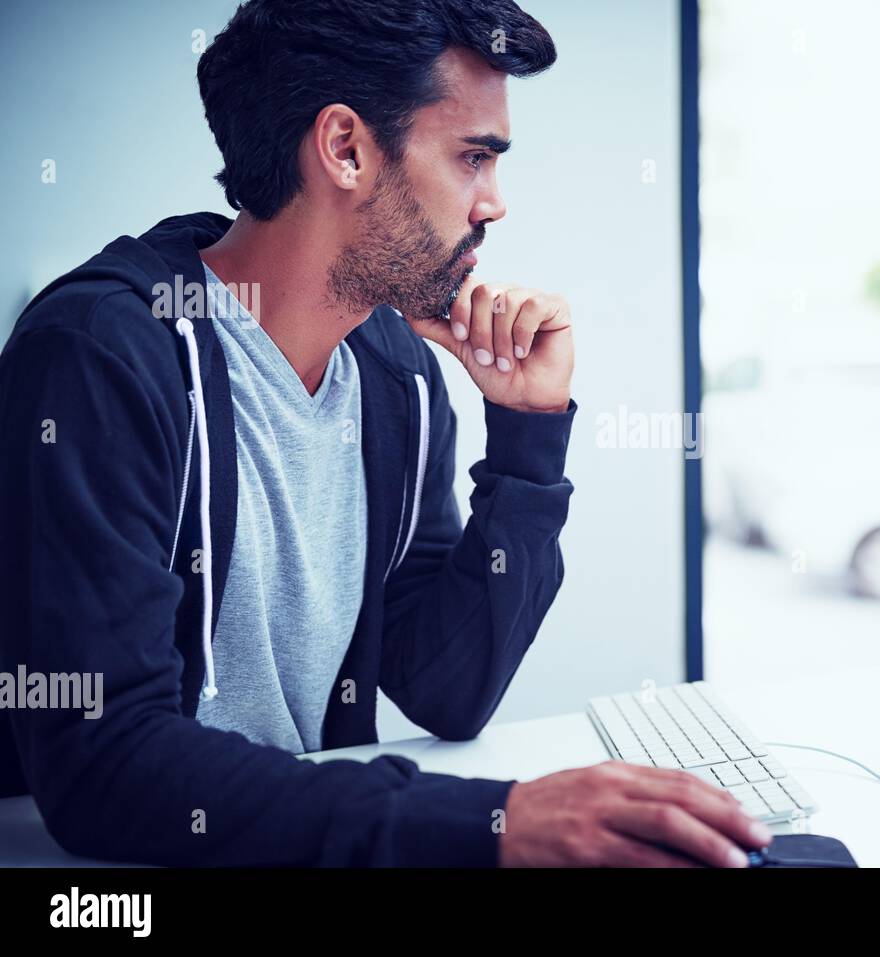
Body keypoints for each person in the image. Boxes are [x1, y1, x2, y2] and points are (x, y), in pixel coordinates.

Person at [0, 0, 769, 868]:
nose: (495, 203)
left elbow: (446, 686)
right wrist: (494, 823)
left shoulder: (391, 368)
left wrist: (527, 435)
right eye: (474, 157)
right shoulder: (101, 355)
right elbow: (104, 763)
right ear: (346, 148)